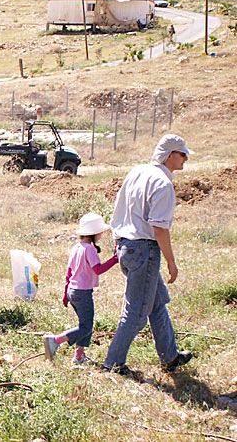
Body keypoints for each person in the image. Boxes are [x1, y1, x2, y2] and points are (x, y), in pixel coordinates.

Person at [103, 134, 193, 374]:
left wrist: (119, 242)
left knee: (156, 302)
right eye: (182, 153)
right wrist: (172, 264)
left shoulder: (137, 172)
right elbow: (160, 229)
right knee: (136, 312)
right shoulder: (163, 184)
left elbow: (119, 209)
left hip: (127, 245)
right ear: (170, 155)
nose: (185, 158)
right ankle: (112, 363)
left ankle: (170, 356)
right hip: (144, 250)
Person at [43, 213, 118, 364]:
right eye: (100, 232)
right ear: (94, 233)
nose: (102, 234)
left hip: (73, 291)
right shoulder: (89, 249)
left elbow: (69, 272)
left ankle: (79, 356)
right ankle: (55, 340)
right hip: (83, 293)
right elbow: (97, 269)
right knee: (86, 327)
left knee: (84, 323)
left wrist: (65, 294)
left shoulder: (76, 248)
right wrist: (115, 259)